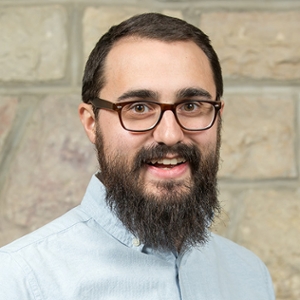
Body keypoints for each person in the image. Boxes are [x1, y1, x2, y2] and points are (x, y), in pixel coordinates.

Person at [0, 13, 275, 299]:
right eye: (139, 107)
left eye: (192, 105)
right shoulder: (22, 280)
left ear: (218, 116)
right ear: (91, 124)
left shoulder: (249, 276)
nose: (170, 135)